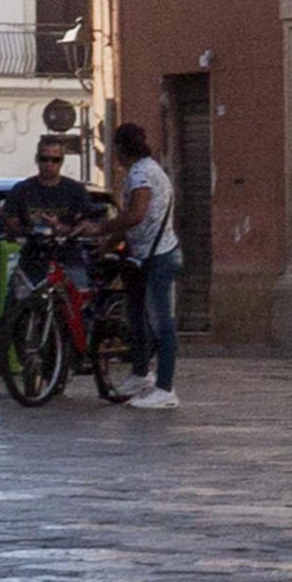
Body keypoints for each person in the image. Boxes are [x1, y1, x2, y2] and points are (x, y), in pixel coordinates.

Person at [114, 116, 181, 410]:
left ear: (120, 149)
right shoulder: (151, 170)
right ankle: (142, 374)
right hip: (147, 254)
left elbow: (136, 214)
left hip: (158, 257)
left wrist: (101, 230)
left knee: (161, 322)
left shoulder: (139, 175)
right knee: (138, 315)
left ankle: (165, 389)